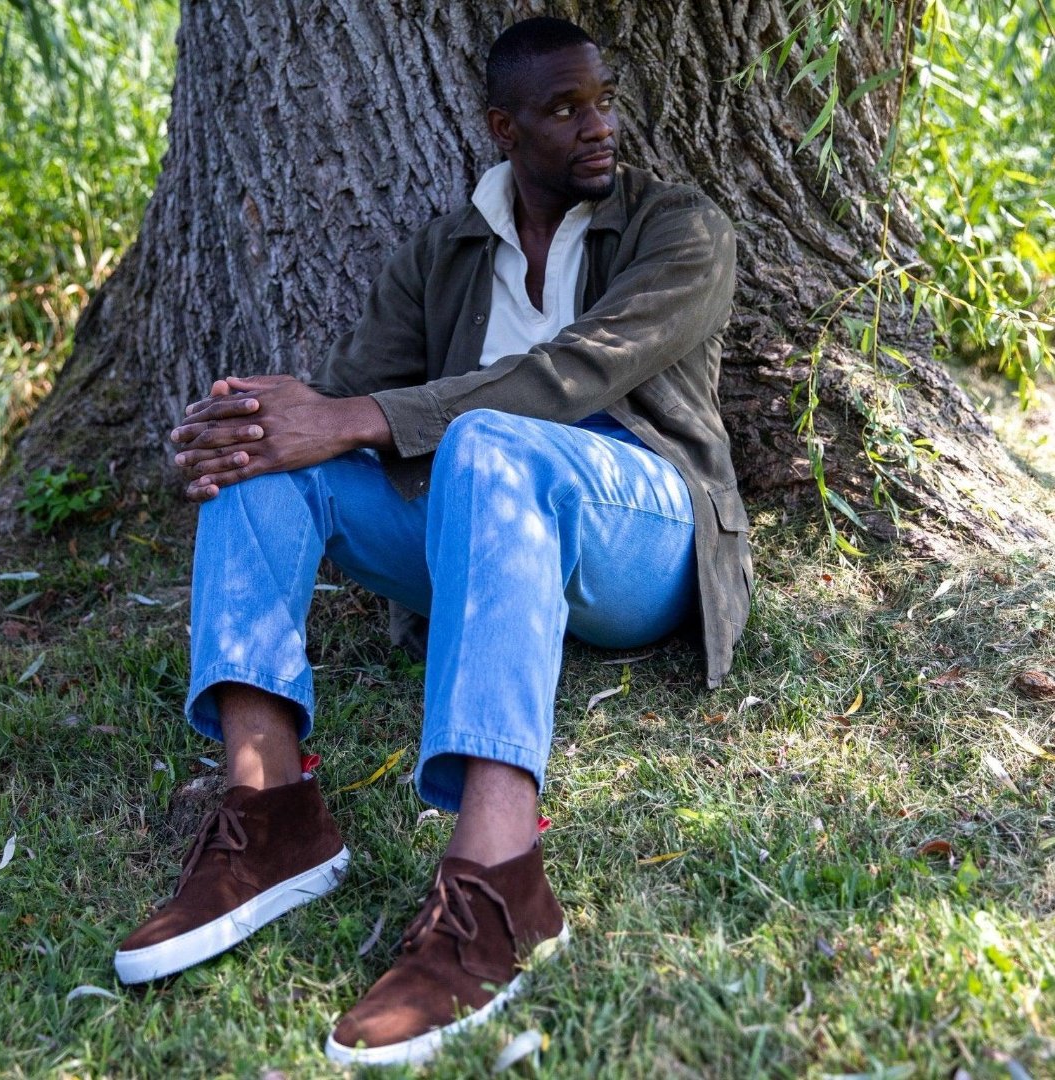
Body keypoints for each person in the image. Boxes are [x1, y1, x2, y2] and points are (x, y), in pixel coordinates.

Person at [113, 15, 751, 1068]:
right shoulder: (449, 250)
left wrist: (356, 417)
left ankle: (501, 879)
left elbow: (573, 379)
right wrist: (250, 427)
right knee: (269, 464)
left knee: (496, 439)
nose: (599, 126)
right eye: (563, 109)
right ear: (504, 128)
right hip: (481, 530)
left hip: (645, 533)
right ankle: (270, 812)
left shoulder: (679, 230)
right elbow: (344, 398)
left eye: (602, 99)